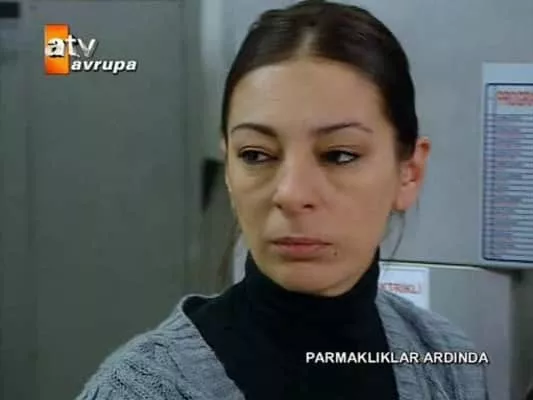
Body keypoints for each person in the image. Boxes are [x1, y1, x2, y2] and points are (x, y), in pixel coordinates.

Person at [76, 1, 489, 399]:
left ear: (409, 172)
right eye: (256, 155)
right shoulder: (139, 390)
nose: (291, 194)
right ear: (228, 167)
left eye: (339, 155)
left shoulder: (446, 360)